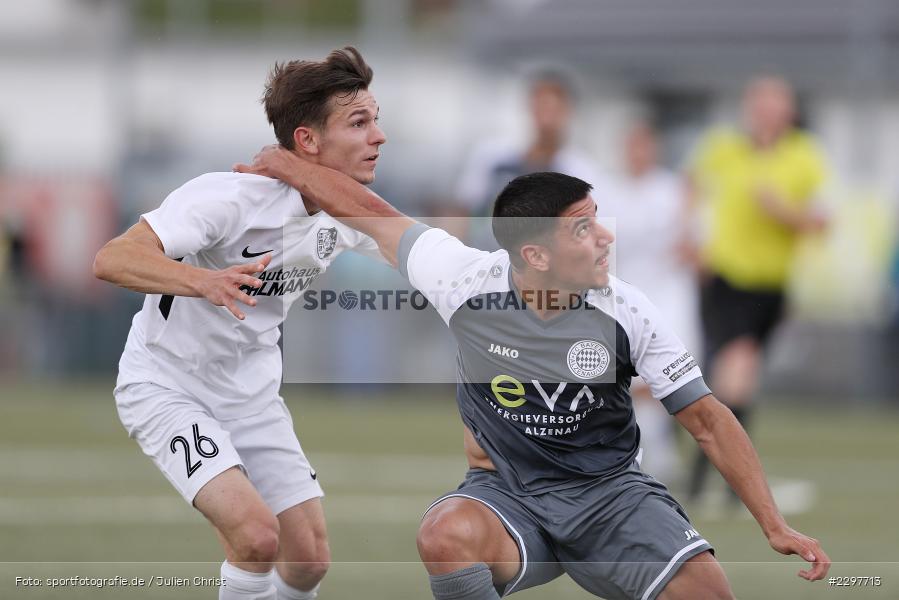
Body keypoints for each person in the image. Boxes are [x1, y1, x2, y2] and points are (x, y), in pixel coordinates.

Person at [234, 149, 831, 600]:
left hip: (612, 497)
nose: (605, 238)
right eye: (583, 227)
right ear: (535, 255)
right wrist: (283, 162)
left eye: (598, 219)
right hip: (508, 498)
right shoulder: (463, 279)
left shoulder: (627, 310)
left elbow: (706, 419)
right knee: (444, 535)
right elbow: (368, 212)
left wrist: (773, 524)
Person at [93, 47, 387, 600]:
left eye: (376, 120)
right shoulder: (227, 196)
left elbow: (433, 255)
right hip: (166, 386)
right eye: (359, 122)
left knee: (309, 561)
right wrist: (208, 281)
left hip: (251, 395)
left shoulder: (350, 214)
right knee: (255, 538)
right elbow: (112, 258)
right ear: (307, 140)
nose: (379, 136)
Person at [686, 76, 829, 503]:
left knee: (736, 378)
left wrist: (783, 211)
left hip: (773, 285)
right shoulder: (724, 148)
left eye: (776, 104)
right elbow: (691, 189)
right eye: (760, 104)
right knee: (738, 368)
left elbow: (821, 222)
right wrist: (694, 240)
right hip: (727, 278)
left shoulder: (804, 156)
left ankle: (718, 474)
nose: (767, 113)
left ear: (789, 112)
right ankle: (718, 477)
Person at [595, 122, 701, 483]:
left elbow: (695, 245)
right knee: (630, 377)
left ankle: (655, 449)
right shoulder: (607, 191)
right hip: (624, 291)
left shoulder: (672, 190)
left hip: (669, 291)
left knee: (665, 373)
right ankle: (651, 449)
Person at [454, 68, 598, 219]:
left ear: (568, 111)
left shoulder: (582, 172)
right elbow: (465, 209)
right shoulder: (492, 157)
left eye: (554, 109)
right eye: (541, 106)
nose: (546, 119)